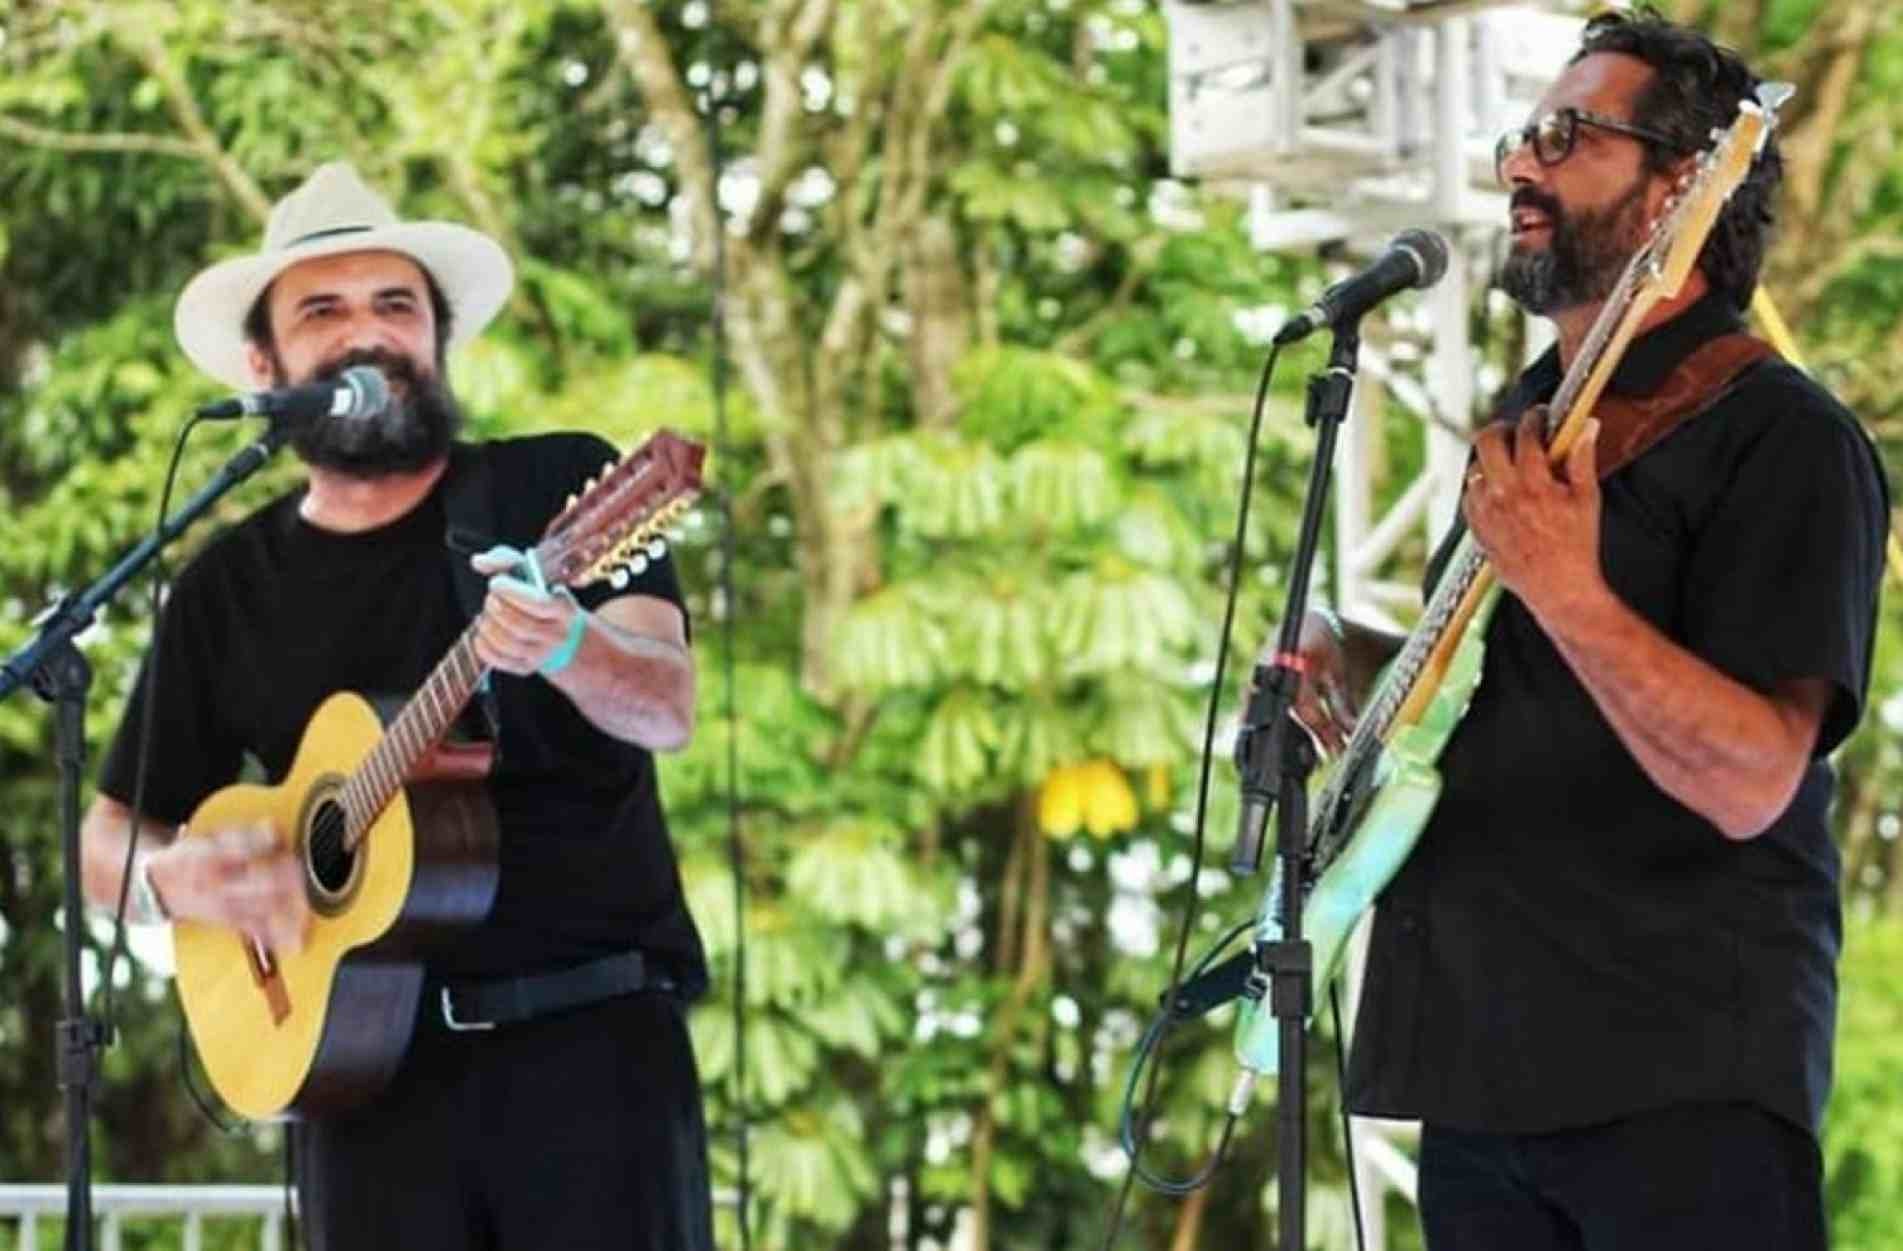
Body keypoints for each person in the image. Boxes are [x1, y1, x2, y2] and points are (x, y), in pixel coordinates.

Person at [1264, 11, 1889, 1249]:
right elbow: (1522, 686)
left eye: (1565, 134)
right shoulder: (1530, 422)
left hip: (1680, 1088)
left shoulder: (1784, 439)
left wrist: (1565, 583)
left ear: (1680, 191)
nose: (1517, 164)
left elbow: (1755, 773)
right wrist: (1354, 655)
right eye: (1520, 135)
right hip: (1478, 1082)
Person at [78, 162, 714, 1250]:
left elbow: (665, 706)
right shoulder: (225, 585)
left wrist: (566, 640)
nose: (366, 332)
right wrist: (174, 881)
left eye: (396, 306)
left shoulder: (548, 490)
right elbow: (106, 843)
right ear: (266, 365)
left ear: (434, 342)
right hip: (357, 1080)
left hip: (589, 1054)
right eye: (323, 310)